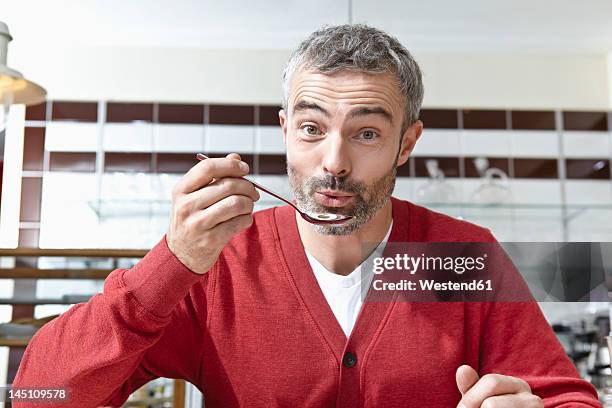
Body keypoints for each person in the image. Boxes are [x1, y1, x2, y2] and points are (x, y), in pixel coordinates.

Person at [13, 24, 600, 408]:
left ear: (407, 143)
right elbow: (38, 395)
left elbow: (572, 401)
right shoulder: (217, 266)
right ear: (285, 132)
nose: (334, 162)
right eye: (313, 129)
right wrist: (171, 264)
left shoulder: (461, 257)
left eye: (366, 133)